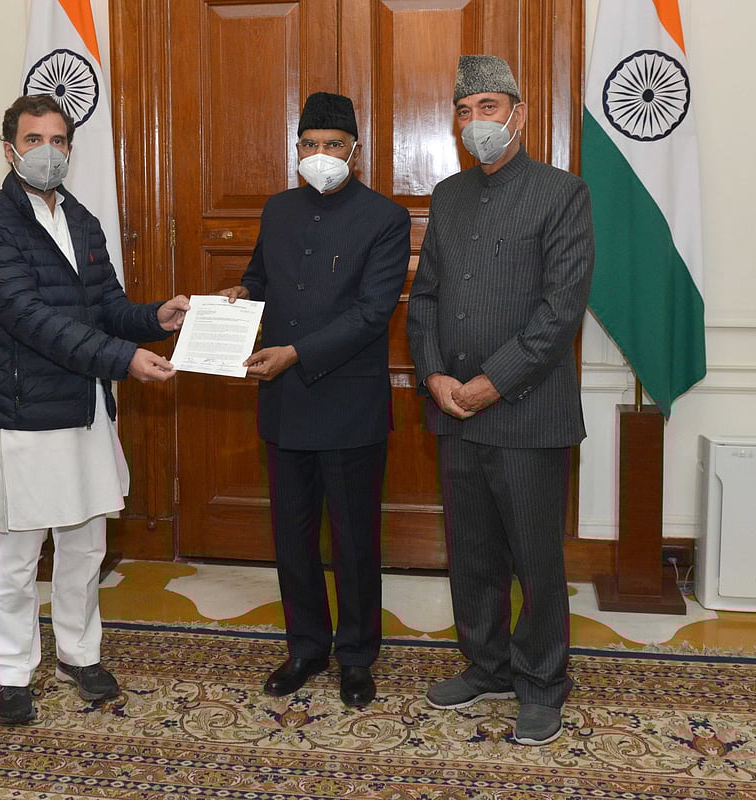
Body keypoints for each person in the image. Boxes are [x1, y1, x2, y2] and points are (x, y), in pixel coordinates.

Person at [0, 94, 190, 726]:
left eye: (58, 140)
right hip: (24, 413)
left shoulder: (81, 219)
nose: (47, 151)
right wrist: (124, 359)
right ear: (9, 150)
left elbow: (105, 306)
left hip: (86, 407)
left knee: (86, 544)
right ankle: (12, 671)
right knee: (18, 556)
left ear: (70, 148)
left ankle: (79, 654)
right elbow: (32, 320)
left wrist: (156, 319)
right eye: (33, 139)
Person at [405, 55, 594, 745]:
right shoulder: (449, 195)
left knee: (535, 561)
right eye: (464, 110)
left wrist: (494, 380)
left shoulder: (562, 193)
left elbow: (560, 310)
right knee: (472, 552)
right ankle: (486, 666)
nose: (475, 121)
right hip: (454, 410)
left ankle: (542, 682)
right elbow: (424, 297)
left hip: (527, 411)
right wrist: (434, 376)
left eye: (488, 106)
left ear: (519, 113)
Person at [218, 92, 410, 707]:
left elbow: (373, 312)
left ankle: (356, 655)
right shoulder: (278, 209)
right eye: (309, 143)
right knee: (292, 537)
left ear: (355, 150)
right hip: (284, 403)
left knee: (353, 541)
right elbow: (260, 277)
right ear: (296, 147)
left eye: (332, 144)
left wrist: (297, 353)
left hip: (348, 404)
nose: (319, 153)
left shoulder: (385, 217)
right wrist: (240, 294)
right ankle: (305, 647)